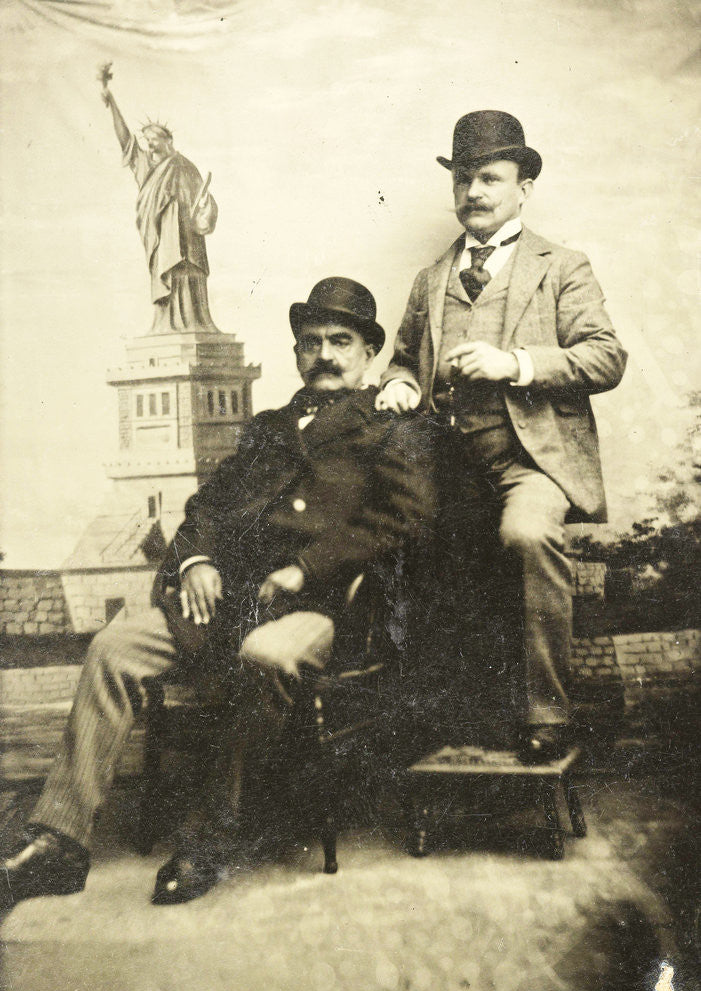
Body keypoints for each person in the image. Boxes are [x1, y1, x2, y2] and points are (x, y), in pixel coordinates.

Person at [1, 278, 435, 907]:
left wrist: (308, 567)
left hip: (329, 606)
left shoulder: (393, 431)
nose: (325, 355)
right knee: (115, 645)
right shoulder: (267, 428)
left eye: (341, 341)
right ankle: (60, 840)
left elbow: (405, 521)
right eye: (310, 342)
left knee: (267, 655)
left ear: (369, 353)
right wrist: (197, 560)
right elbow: (208, 503)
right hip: (231, 598)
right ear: (295, 354)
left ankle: (212, 837)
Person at [376, 110, 627, 762]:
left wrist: (514, 363)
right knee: (388, 536)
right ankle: (425, 715)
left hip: (528, 462)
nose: (473, 193)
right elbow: (402, 357)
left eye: (489, 177)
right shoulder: (431, 280)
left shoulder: (561, 267)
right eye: (462, 179)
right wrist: (399, 383)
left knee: (525, 534)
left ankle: (547, 713)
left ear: (523, 186)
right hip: (441, 462)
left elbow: (605, 358)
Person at [101, 80, 219, 333]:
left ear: (168, 140)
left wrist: (206, 209)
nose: (150, 145)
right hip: (161, 240)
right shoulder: (145, 166)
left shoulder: (186, 167)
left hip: (188, 242)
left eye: (154, 140)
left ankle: (196, 323)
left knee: (188, 278)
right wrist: (112, 103)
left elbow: (203, 202)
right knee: (168, 277)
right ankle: (167, 326)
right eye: (147, 141)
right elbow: (126, 141)